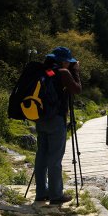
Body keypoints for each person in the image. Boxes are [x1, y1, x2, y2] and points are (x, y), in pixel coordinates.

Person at [34, 46, 82, 205]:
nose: (70, 64)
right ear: (62, 61)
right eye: (69, 62)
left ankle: (41, 193)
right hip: (56, 120)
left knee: (41, 155)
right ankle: (56, 195)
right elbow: (77, 89)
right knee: (55, 158)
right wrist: (76, 71)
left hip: (40, 118)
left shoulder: (44, 71)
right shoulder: (63, 73)